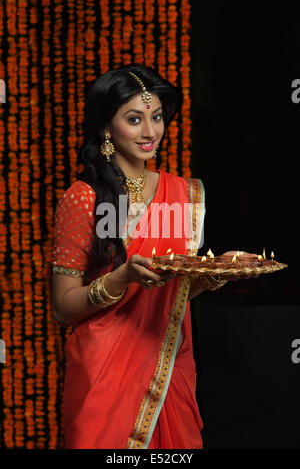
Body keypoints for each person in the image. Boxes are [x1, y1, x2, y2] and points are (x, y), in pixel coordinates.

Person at [52, 64, 253, 449]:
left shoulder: (182, 193)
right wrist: (122, 276)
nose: (150, 132)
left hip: (168, 366)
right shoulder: (83, 198)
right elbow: (63, 309)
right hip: (104, 374)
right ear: (106, 127)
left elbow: (165, 298)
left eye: (157, 117)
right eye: (134, 119)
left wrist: (214, 275)